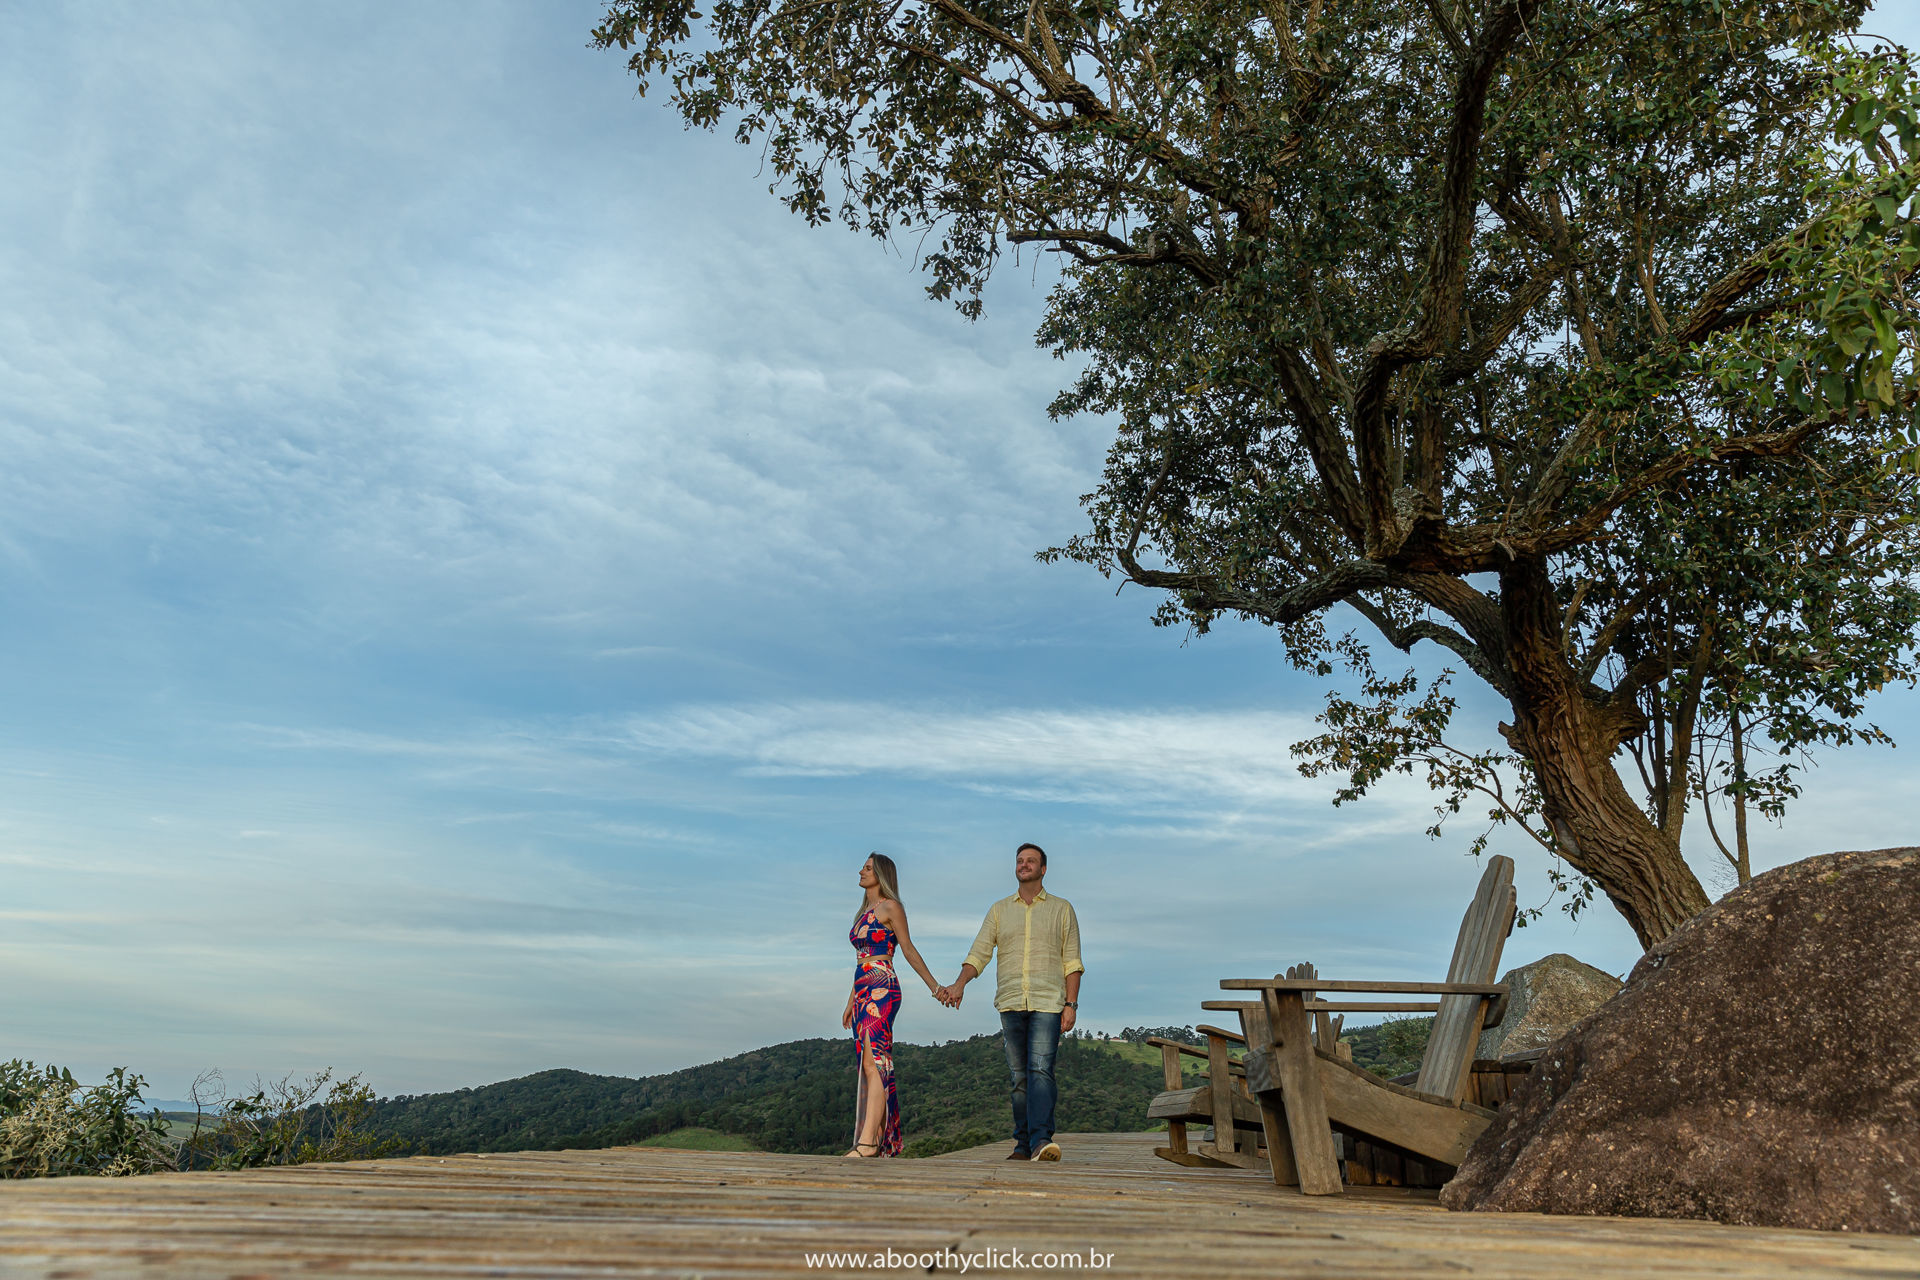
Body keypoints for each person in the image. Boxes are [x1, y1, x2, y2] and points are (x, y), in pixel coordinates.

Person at [937, 842, 1083, 1162]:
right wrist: (959, 984)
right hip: (1011, 1001)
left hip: (1048, 1001)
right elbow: (979, 953)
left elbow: (1072, 962)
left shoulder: (1062, 909)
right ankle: (1022, 1143)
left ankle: (1041, 1140)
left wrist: (1071, 1005)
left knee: (1041, 1070)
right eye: (1020, 860)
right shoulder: (999, 910)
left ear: (1043, 869)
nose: (1024, 864)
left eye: (1031, 861)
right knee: (1019, 1077)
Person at [842, 852, 944, 1157]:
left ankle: (868, 1143)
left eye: (868, 868)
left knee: (876, 1062)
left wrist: (935, 987)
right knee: (868, 1064)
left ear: (882, 874)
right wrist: (850, 1001)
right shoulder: (863, 913)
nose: (861, 871)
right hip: (862, 989)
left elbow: (909, 949)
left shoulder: (891, 908)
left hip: (882, 988)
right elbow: (861, 961)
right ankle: (875, 1139)